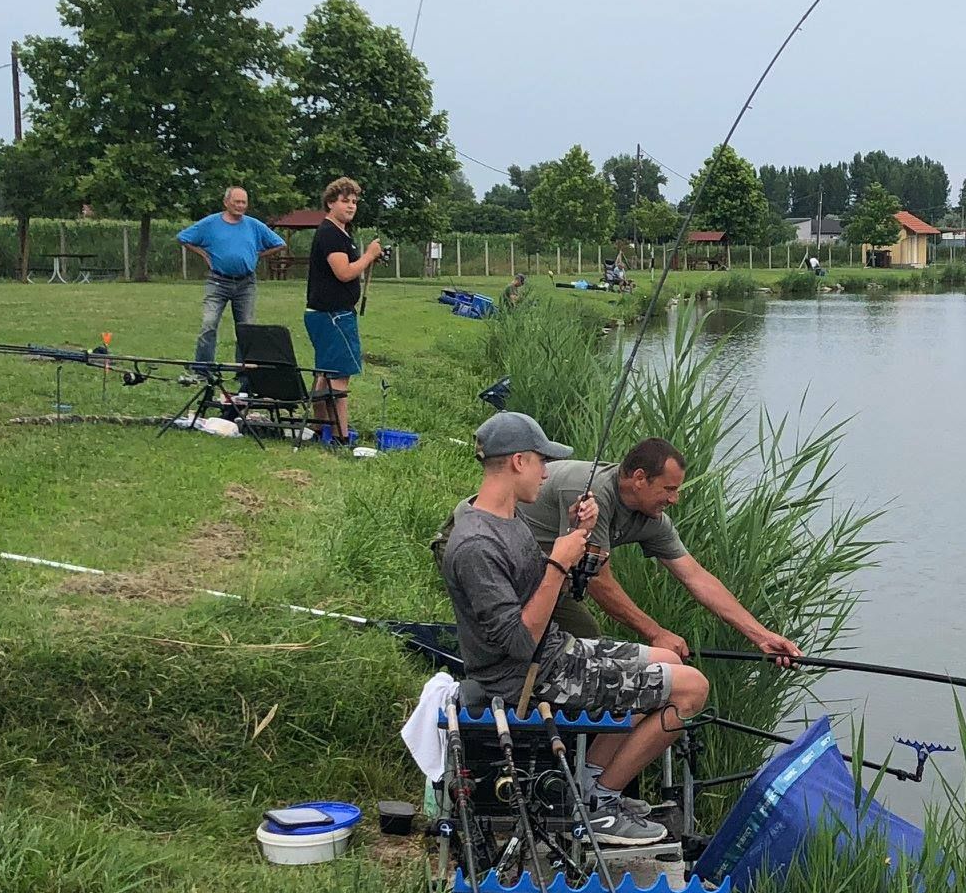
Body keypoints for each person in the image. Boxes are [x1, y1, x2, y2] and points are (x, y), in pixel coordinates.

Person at [440, 412, 708, 845]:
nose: (548, 473)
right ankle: (601, 805)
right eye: (542, 462)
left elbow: (537, 595)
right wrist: (558, 562)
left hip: (555, 655)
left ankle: (587, 783)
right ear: (518, 462)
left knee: (668, 659)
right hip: (527, 678)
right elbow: (517, 642)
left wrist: (581, 533)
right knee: (692, 689)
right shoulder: (476, 545)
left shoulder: (508, 518)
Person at [518, 438, 801, 667]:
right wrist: (656, 633)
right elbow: (598, 582)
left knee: (587, 641)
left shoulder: (652, 519)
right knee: (584, 641)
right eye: (669, 489)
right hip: (504, 565)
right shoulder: (591, 493)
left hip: (546, 578)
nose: (674, 499)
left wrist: (761, 636)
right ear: (640, 478)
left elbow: (696, 578)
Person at [303, 177, 386, 444]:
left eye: (354, 202)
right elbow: (344, 272)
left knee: (323, 373)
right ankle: (340, 436)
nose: (351, 206)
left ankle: (318, 428)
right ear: (330, 203)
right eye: (344, 201)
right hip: (333, 315)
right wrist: (369, 255)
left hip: (327, 314)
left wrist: (368, 258)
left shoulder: (340, 233)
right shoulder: (330, 234)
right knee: (339, 377)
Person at [178, 186, 288, 369]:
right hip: (218, 281)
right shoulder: (210, 223)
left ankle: (244, 370)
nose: (240, 206)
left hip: (246, 283)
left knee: (246, 328)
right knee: (209, 324)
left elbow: (280, 244)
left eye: (244, 202)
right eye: (236, 202)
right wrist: (203, 254)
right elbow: (183, 237)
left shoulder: (253, 225)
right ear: (226, 202)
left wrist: (257, 255)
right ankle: (202, 368)